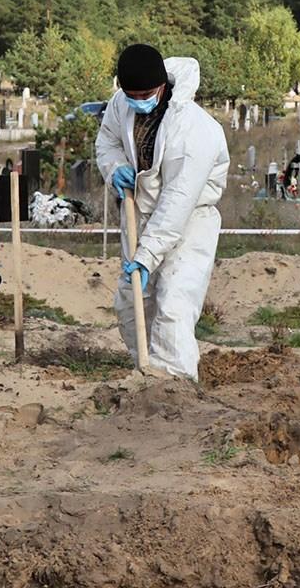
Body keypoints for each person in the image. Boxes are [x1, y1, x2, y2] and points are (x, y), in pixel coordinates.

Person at [96, 44, 229, 381]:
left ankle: (176, 387)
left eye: (143, 94)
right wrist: (114, 169)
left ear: (161, 87)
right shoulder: (120, 104)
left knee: (173, 302)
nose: (136, 101)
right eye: (130, 94)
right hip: (139, 212)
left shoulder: (195, 129)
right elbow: (107, 140)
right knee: (131, 303)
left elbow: (178, 200)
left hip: (188, 220)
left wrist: (148, 255)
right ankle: (146, 373)